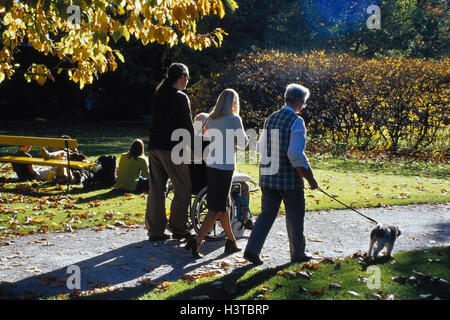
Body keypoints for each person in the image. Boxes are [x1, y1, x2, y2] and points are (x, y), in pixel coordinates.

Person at [243, 83, 319, 266]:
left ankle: (252, 250)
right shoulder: (296, 121)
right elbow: (295, 154)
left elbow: (261, 147)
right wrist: (310, 177)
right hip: (288, 179)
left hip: (268, 175)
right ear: (300, 102)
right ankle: (298, 253)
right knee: (295, 214)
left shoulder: (270, 118)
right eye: (304, 103)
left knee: (266, 214)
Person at [186, 89, 249, 259]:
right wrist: (235, 140)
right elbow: (243, 143)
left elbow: (204, 135)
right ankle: (197, 241)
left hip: (211, 165)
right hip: (225, 167)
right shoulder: (234, 119)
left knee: (225, 207)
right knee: (216, 209)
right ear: (234, 103)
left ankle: (232, 242)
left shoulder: (210, 119)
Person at [145, 63, 195, 241]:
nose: (188, 82)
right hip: (172, 148)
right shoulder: (180, 97)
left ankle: (155, 230)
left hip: (154, 146)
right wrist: (196, 149)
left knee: (157, 189)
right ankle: (178, 227)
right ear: (182, 77)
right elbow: (187, 127)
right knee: (183, 188)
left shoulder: (159, 95)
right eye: (187, 78)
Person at [194, 112, 253, 230]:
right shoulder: (211, 140)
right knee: (244, 186)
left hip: (196, 182)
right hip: (214, 180)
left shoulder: (192, 140)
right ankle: (244, 219)